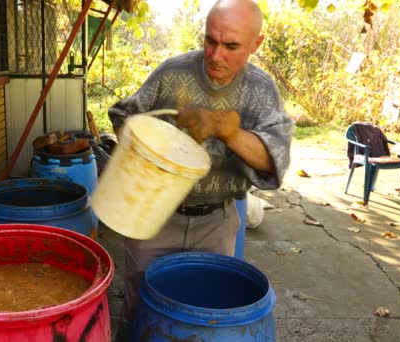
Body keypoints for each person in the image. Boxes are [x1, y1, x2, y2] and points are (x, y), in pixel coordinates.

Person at [108, 0, 293, 339]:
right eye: (210, 40)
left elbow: (274, 159)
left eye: (231, 46)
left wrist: (229, 131)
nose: (215, 54)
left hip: (216, 222)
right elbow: (124, 117)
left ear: (256, 44)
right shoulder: (172, 72)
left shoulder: (260, 90)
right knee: (140, 302)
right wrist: (146, 150)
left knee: (206, 313)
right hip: (153, 214)